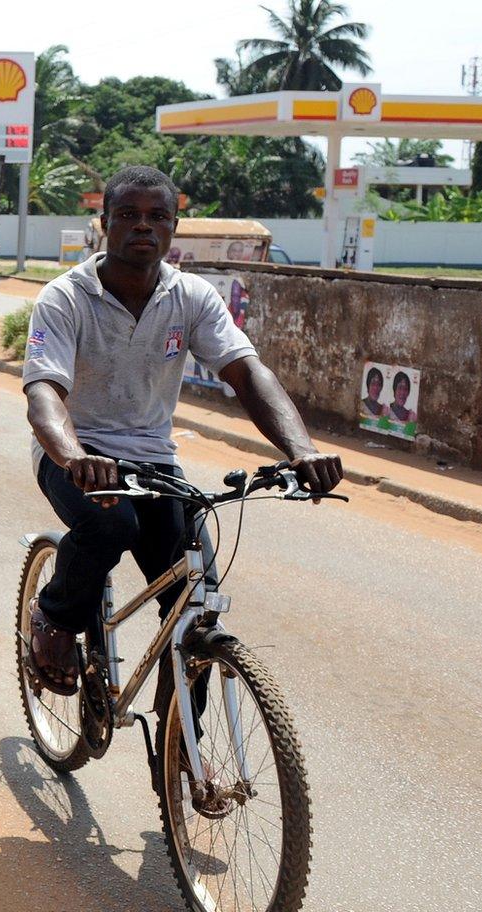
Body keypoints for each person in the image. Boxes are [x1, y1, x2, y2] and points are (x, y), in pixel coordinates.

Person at [23, 166, 342, 695]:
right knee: (112, 526)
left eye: (157, 216)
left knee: (196, 610)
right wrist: (75, 456)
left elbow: (247, 373)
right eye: (127, 215)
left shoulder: (190, 296)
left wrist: (301, 449)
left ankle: (184, 773)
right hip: (75, 454)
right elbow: (44, 396)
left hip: (153, 458)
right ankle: (54, 617)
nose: (142, 226)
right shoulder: (66, 297)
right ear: (104, 224)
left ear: (174, 226)